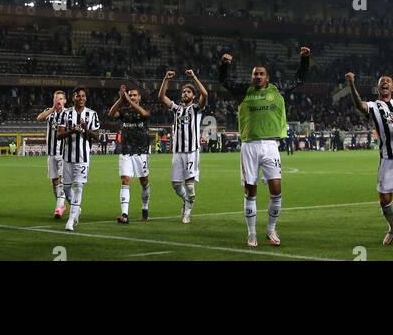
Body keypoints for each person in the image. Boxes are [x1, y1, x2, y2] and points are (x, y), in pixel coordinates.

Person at [218, 46, 310, 247]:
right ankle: (251, 233)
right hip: (249, 146)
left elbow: (299, 79)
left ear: (267, 77)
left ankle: (271, 229)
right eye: (255, 74)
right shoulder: (244, 91)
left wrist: (305, 59)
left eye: (261, 74)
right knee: (250, 191)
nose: (258, 77)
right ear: (252, 77)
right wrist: (224, 65)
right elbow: (224, 81)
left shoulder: (277, 89)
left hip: (270, 145)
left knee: (276, 190)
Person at [346, 72, 393, 251]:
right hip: (388, 158)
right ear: (378, 88)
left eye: (388, 81)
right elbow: (359, 105)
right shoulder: (374, 106)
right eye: (382, 82)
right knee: (384, 200)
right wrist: (351, 83)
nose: (385, 83)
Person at [158, 68, 208, 223]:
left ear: (193, 96)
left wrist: (194, 77)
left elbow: (205, 95)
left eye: (188, 92)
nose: (185, 93)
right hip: (177, 152)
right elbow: (161, 96)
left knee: (190, 186)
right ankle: (187, 200)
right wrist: (166, 79)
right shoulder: (176, 109)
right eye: (183, 91)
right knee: (175, 185)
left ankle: (187, 210)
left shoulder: (196, 108)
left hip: (192, 151)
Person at [57, 87, 101, 232]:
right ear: (73, 98)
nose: (81, 98)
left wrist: (84, 130)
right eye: (78, 96)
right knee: (65, 187)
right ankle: (77, 208)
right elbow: (59, 135)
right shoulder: (65, 113)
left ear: (86, 98)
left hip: (83, 158)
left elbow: (96, 136)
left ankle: (71, 220)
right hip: (67, 156)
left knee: (78, 187)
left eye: (83, 96)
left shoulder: (92, 114)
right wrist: (73, 131)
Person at [108, 84, 152, 223]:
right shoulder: (124, 112)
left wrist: (129, 100)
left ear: (139, 97)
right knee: (125, 180)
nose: (132, 97)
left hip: (141, 152)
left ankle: (145, 209)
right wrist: (121, 99)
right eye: (130, 94)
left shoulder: (144, 110)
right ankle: (125, 215)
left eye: (134, 95)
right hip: (126, 151)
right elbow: (111, 114)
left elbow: (145, 115)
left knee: (144, 181)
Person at [34, 91, 70, 219]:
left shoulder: (68, 114)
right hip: (51, 153)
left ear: (65, 101)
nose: (58, 101)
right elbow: (39, 118)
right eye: (56, 99)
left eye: (61, 99)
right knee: (54, 181)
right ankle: (61, 204)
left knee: (61, 180)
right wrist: (52, 109)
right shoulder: (50, 113)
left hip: (63, 153)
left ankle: (59, 208)